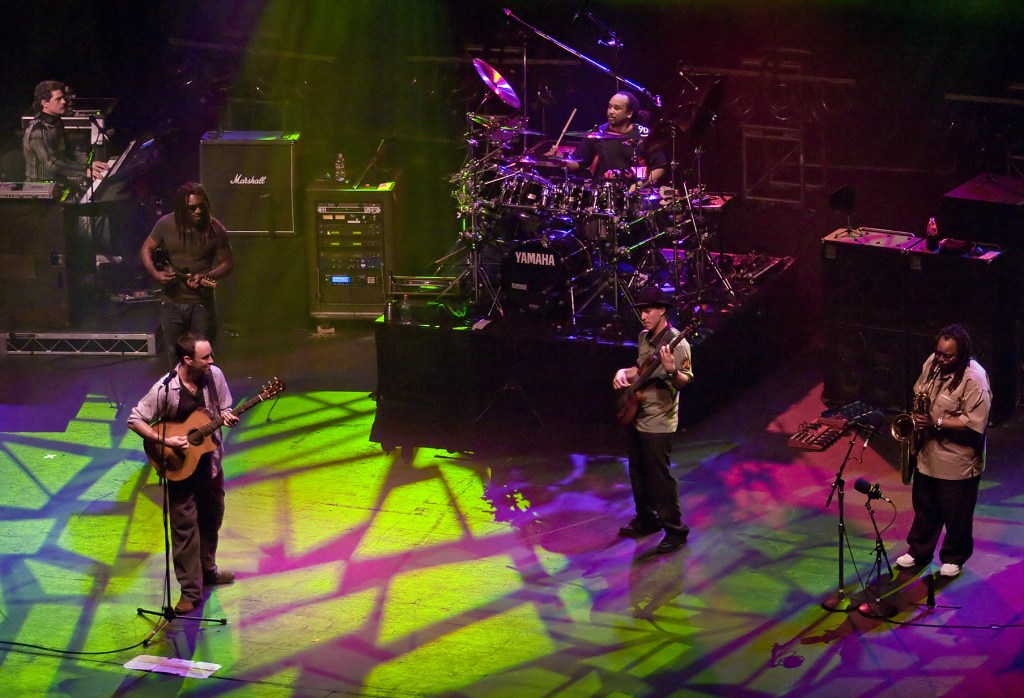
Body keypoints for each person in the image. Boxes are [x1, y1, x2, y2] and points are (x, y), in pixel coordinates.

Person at [127, 331, 238, 614]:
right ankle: (190, 591)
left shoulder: (214, 376)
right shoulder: (165, 389)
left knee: (212, 519)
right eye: (205, 357)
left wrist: (227, 416)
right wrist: (165, 441)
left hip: (210, 464)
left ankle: (208, 571)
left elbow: (224, 407)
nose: (211, 361)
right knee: (184, 530)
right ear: (188, 360)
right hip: (180, 468)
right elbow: (135, 419)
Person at [895, 324, 991, 578]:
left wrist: (936, 423)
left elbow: (974, 425)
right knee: (925, 507)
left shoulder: (975, 379)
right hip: (927, 455)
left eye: (947, 356)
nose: (940, 359)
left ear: (962, 353)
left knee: (956, 514)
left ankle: (954, 558)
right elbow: (920, 392)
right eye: (938, 353)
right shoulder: (934, 363)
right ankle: (919, 550)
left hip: (957, 461)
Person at [611, 286, 694, 553]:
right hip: (638, 414)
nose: (643, 316)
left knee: (659, 478)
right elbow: (641, 368)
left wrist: (671, 370)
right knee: (637, 471)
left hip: (659, 421)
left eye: (648, 311)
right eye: (641, 311)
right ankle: (647, 519)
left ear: (662, 311)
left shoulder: (678, 344)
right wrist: (622, 372)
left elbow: (684, 381)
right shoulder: (643, 338)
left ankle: (675, 530)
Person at [140, 181, 233, 367]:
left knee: (203, 359)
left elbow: (228, 264)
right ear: (182, 209)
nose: (198, 211)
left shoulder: (215, 229)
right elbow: (146, 249)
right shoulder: (166, 224)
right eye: (192, 208)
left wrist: (209, 275)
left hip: (201, 303)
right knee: (175, 357)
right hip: (172, 302)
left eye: (201, 206)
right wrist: (156, 274)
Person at [557, 91, 667, 185]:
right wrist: (560, 160)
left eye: (617, 108)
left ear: (629, 113)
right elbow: (577, 163)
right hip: (601, 195)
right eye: (609, 107)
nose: (611, 111)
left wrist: (639, 186)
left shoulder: (644, 135)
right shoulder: (596, 133)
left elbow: (660, 167)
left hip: (633, 196)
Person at [22, 80, 109, 185]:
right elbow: (52, 164)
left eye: (63, 98)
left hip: (59, 183)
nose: (64, 102)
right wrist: (84, 170)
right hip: (41, 187)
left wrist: (90, 163)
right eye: (58, 99)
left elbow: (69, 152)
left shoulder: (57, 122)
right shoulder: (38, 130)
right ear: (44, 103)